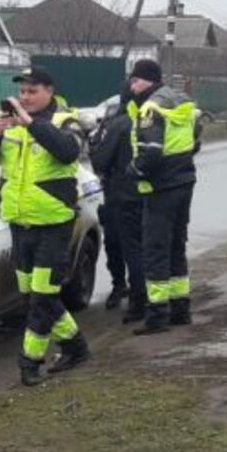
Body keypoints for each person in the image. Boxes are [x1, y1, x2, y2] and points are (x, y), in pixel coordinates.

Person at [0, 67, 91, 387]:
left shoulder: (65, 121)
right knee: (35, 297)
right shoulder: (11, 127)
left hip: (53, 222)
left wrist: (30, 122)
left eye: (32, 91)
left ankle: (30, 362)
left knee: (42, 296)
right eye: (22, 92)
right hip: (20, 222)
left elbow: (68, 152)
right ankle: (75, 347)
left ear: (49, 91)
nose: (25, 97)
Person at [125, 58, 200, 335]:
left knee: (156, 248)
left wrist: (132, 171)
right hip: (184, 182)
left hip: (160, 188)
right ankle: (181, 308)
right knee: (177, 246)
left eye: (135, 80)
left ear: (147, 80)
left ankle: (157, 314)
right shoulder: (181, 103)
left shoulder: (151, 108)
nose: (132, 86)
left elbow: (151, 152)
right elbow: (195, 141)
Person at [89, 99, 148, 320]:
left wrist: (94, 145)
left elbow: (100, 162)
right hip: (147, 194)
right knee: (142, 246)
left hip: (120, 194)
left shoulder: (119, 125)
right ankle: (140, 291)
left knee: (118, 245)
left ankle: (126, 290)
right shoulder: (151, 120)